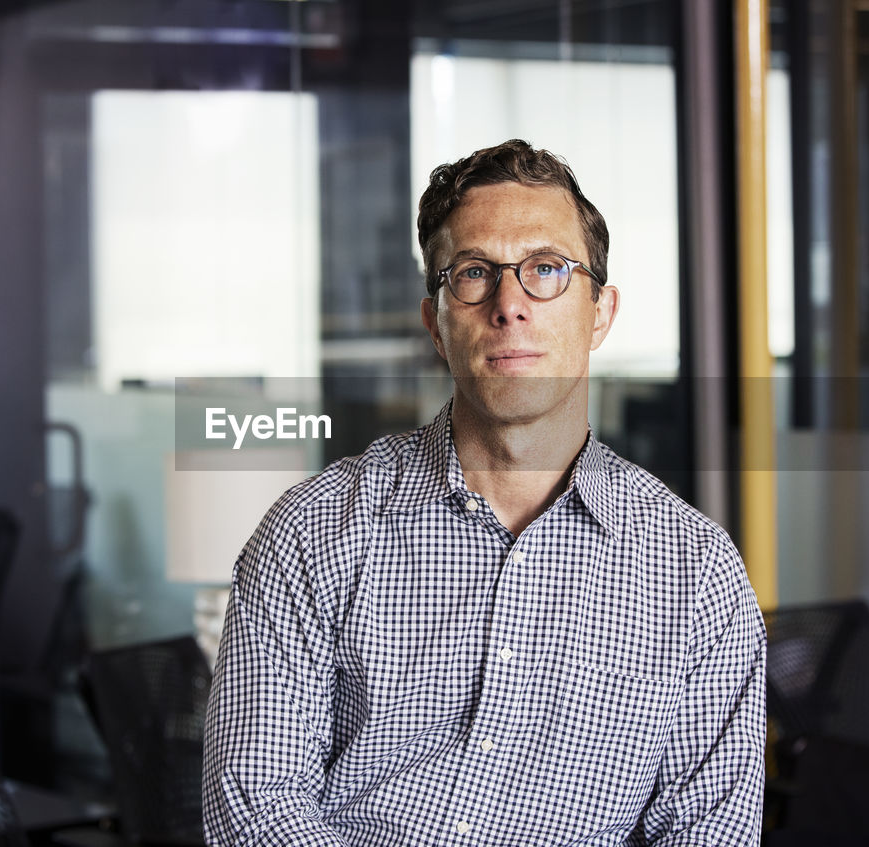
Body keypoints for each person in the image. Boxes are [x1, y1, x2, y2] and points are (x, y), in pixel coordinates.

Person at [203, 139, 766, 845]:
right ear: (436, 322)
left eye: (547, 270)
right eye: (474, 273)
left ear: (600, 311)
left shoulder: (696, 573)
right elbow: (255, 801)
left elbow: (705, 833)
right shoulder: (314, 531)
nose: (510, 304)